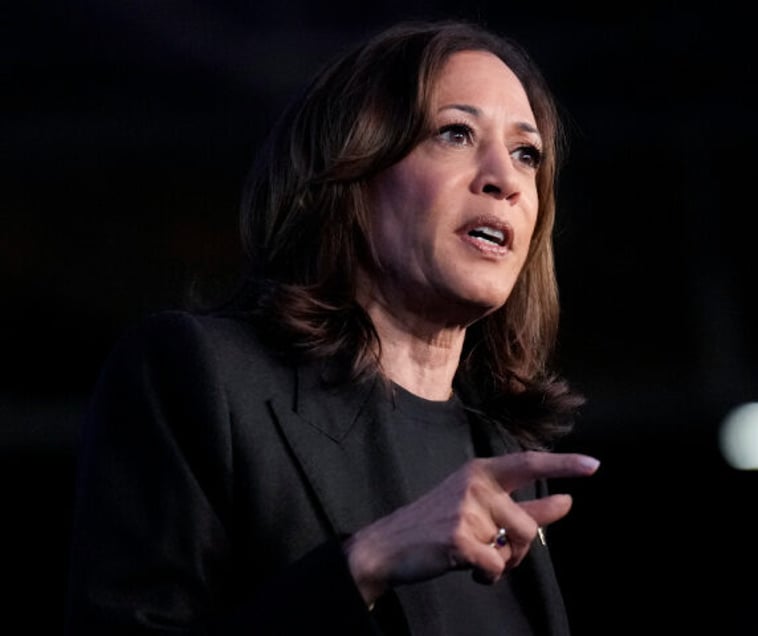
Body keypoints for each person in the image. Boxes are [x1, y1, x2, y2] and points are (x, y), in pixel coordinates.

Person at [64, 19, 601, 635]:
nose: (504, 180)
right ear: (353, 170)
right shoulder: (196, 376)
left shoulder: (508, 459)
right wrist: (362, 566)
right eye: (456, 133)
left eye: (526, 154)